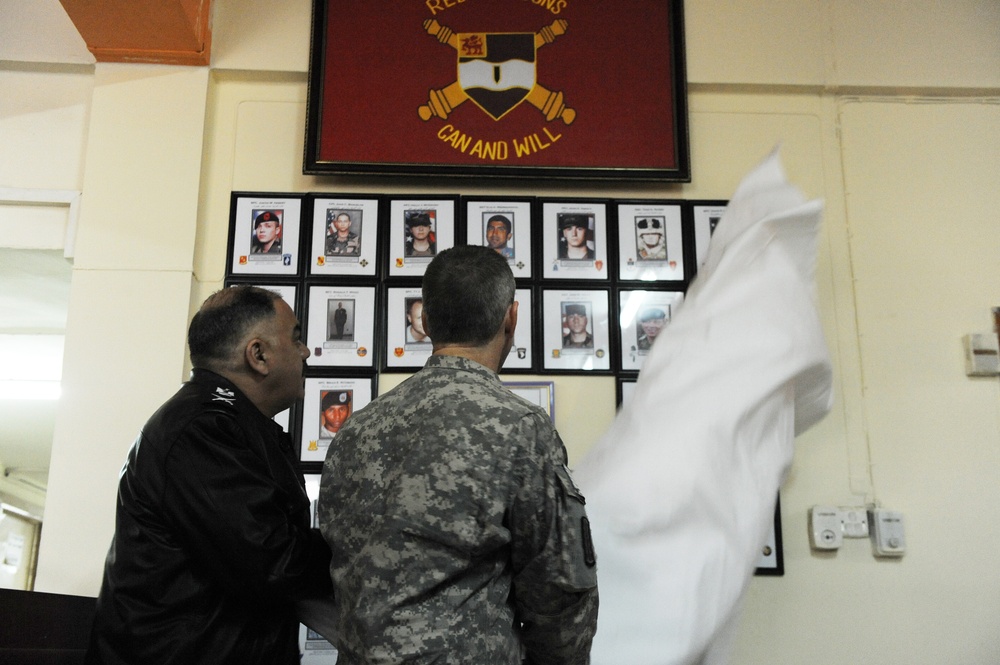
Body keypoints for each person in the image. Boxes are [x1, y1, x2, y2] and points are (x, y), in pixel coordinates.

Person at [317, 245, 598, 665]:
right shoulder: (520, 427)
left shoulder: (355, 430)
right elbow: (557, 595)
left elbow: (340, 566)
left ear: (426, 322)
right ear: (511, 318)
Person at [85, 286, 332, 665]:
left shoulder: (229, 424)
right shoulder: (202, 430)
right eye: (297, 337)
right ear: (259, 355)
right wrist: (368, 549)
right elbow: (272, 562)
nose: (305, 351)